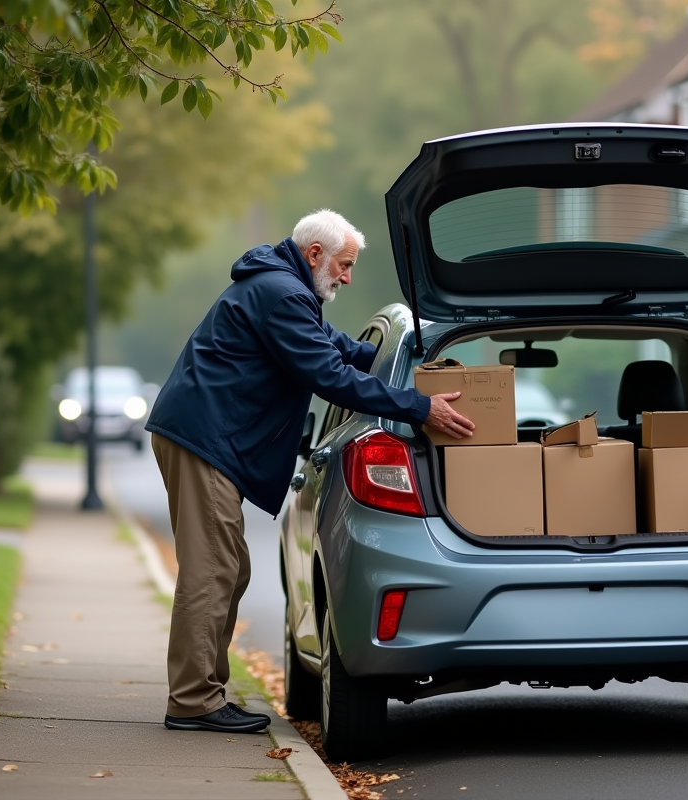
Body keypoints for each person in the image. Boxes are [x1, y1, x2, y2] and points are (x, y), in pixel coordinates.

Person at [145, 209, 474, 733]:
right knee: (212, 573)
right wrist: (418, 406)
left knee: (228, 570)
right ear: (315, 254)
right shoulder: (282, 294)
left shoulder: (285, 289)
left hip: (204, 437)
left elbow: (339, 348)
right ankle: (193, 701)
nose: (348, 277)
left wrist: (404, 359)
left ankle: (203, 692)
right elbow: (328, 374)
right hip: (203, 441)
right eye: (345, 264)